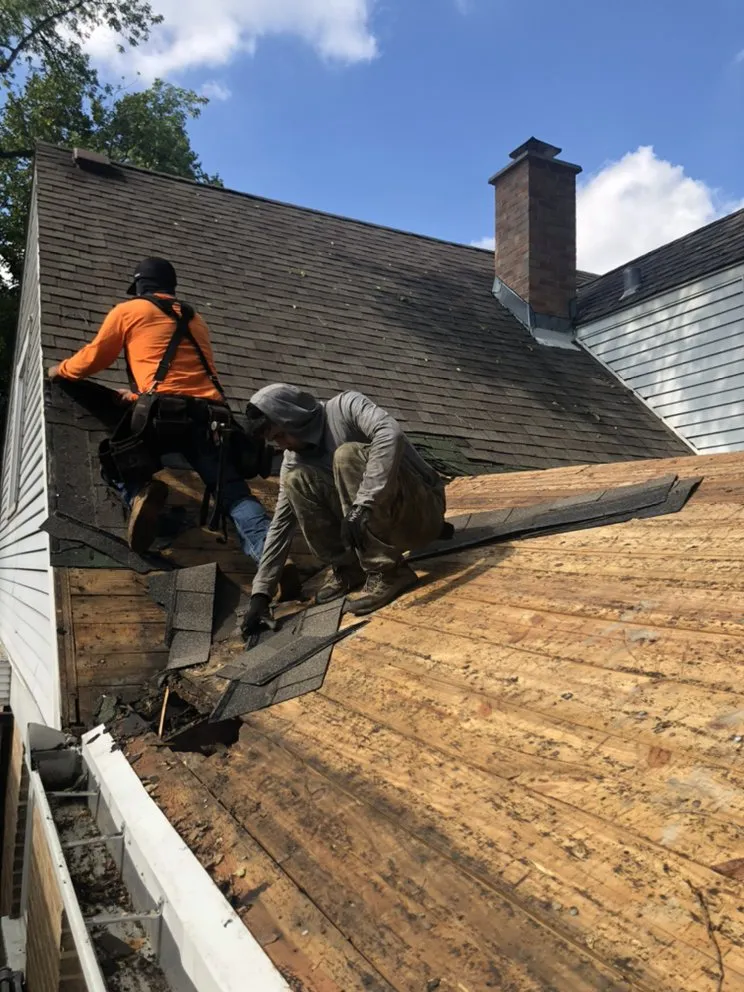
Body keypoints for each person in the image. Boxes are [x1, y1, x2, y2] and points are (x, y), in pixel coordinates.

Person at [48, 257, 270, 559]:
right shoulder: (195, 318)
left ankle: (142, 491)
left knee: (115, 459)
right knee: (232, 491)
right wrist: (138, 394)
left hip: (161, 414)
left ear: (140, 286)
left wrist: (59, 370)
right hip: (210, 417)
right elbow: (185, 375)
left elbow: (93, 359)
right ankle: (272, 555)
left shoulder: (128, 311)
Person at [241, 383, 448, 633]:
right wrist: (261, 593)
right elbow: (281, 525)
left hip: (422, 513)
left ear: (294, 419)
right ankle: (350, 569)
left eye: (280, 435)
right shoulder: (293, 459)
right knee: (296, 481)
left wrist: (363, 503)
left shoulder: (345, 407)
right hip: (383, 527)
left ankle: (389, 572)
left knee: (346, 455)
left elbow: (390, 433)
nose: (282, 445)